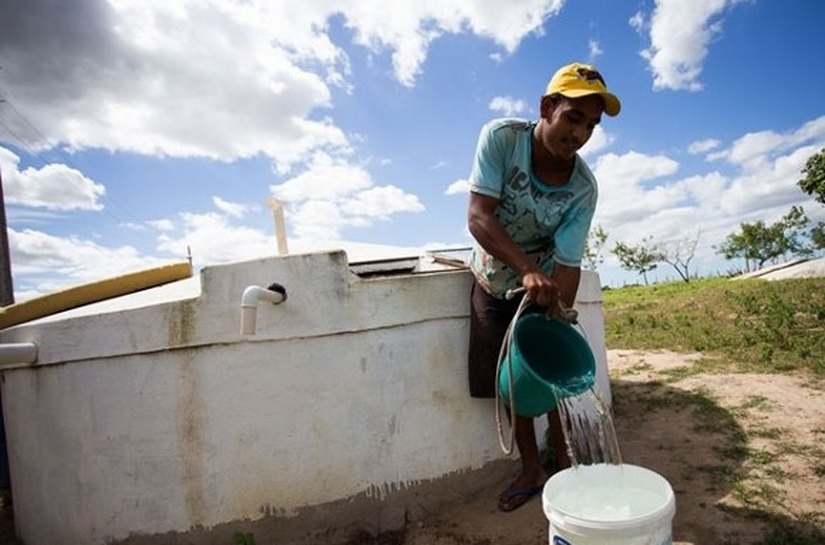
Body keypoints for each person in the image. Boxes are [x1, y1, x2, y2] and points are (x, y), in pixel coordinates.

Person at [466, 62, 621, 512]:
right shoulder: (502, 139)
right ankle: (532, 468)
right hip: (494, 281)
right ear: (547, 107)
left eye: (591, 125)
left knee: (551, 372)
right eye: (573, 117)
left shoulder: (583, 189)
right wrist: (526, 269)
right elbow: (478, 216)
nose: (581, 134)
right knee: (512, 382)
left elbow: (569, 263)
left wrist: (556, 315)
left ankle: (565, 461)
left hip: (545, 286)